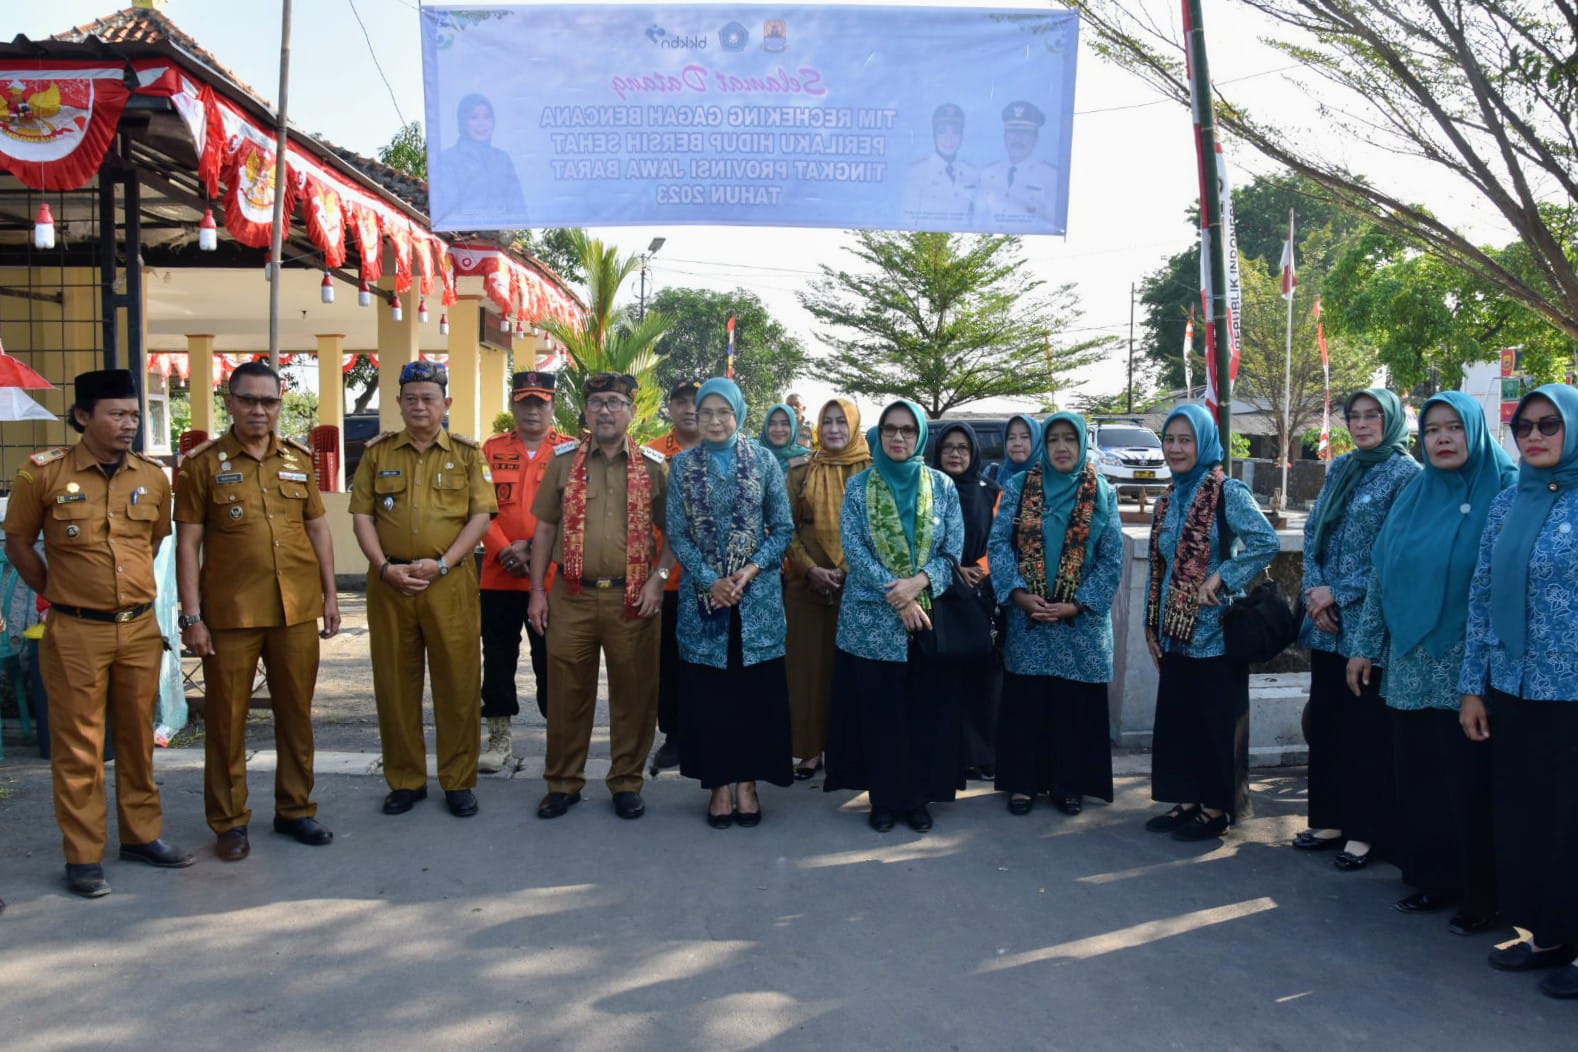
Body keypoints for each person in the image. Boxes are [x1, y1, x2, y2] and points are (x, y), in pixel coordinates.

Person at [4, 369, 192, 897]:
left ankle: (141, 836)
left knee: (138, 739)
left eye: (134, 414)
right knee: (80, 747)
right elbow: (18, 541)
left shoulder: (152, 478)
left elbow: (153, 543)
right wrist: (58, 589)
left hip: (136, 628)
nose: (129, 423)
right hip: (75, 631)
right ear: (84, 416)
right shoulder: (42, 474)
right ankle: (83, 856)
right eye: (117, 414)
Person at [1348, 392, 1512, 934]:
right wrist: (1366, 644)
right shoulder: (1415, 493)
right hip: (1411, 663)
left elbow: (1500, 591)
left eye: (1454, 428)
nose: (1442, 439)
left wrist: (1480, 675)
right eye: (1433, 430)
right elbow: (1382, 572)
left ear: (1476, 432)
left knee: (1470, 782)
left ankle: (1480, 895)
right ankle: (1431, 879)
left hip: (1472, 668)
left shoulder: (1506, 491)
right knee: (1419, 775)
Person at [174, 361, 340, 862]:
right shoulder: (202, 465)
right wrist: (192, 617)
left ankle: (296, 809)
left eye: (268, 401)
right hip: (230, 615)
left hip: (295, 610)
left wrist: (331, 596)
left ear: (279, 405)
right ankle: (228, 822)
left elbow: (317, 529)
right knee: (226, 721)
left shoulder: (297, 459)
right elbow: (189, 544)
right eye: (249, 400)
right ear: (230, 401)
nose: (259, 411)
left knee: (297, 715)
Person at [1461, 385, 1578, 998]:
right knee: (1532, 816)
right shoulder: (1509, 504)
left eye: (1549, 425)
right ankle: (1550, 933)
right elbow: (1482, 594)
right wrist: (1473, 688)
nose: (1534, 436)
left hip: (1574, 690)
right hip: (1515, 685)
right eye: (1524, 427)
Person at [350, 360, 496, 818]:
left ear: (445, 404)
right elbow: (362, 516)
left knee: (458, 684)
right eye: (410, 398)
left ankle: (457, 781)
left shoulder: (468, 454)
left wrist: (442, 564)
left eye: (429, 398)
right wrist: (380, 566)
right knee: (395, 685)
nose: (419, 406)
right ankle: (406, 779)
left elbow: (480, 517)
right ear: (398, 403)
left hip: (447, 584)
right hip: (391, 584)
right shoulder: (378, 454)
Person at [530, 373, 671, 821]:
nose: (605, 411)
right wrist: (536, 591)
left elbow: (675, 533)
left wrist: (658, 578)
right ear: (585, 412)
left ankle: (627, 782)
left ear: (632, 411)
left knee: (634, 695)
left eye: (614, 402)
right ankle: (563, 783)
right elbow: (545, 529)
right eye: (596, 403)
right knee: (567, 693)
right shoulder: (563, 461)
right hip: (570, 595)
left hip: (633, 598)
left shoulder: (652, 466)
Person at [824, 400, 965, 833]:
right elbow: (855, 550)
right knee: (880, 715)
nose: (899, 438)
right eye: (890, 430)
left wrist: (918, 583)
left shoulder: (941, 486)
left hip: (926, 623)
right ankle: (883, 800)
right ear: (880, 434)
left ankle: (918, 798)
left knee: (924, 714)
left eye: (907, 430)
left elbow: (952, 550)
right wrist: (899, 595)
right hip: (872, 622)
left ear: (921, 435)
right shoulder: (859, 486)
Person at [1296, 389, 1420, 869]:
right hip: (1325, 623)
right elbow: (1313, 534)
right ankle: (1329, 818)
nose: (1363, 424)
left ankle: (1365, 831)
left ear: (1389, 420)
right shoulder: (1341, 467)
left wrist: (1339, 592)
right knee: (1327, 722)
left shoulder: (1407, 476)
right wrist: (1314, 590)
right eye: (1355, 416)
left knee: (1364, 730)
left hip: (1368, 625)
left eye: (1373, 416)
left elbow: (1395, 554)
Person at [1143, 405, 1278, 841]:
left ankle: (1218, 807)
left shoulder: (1226, 491)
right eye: (1170, 439)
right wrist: (1151, 624)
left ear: (1204, 443)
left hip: (1216, 632)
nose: (1176, 448)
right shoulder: (1168, 498)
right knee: (1180, 720)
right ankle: (1186, 799)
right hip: (1175, 633)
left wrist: (1223, 575)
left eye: (1187, 440)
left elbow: (1264, 541)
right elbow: (1159, 568)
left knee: (1216, 723)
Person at [667, 379, 796, 826]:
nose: (715, 421)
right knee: (711, 698)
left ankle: (748, 783)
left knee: (753, 697)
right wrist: (711, 580)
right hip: (704, 603)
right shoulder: (682, 466)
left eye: (724, 412)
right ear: (696, 418)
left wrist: (749, 570)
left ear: (739, 413)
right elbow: (678, 533)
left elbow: (782, 528)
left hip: (755, 601)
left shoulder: (763, 460)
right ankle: (719, 785)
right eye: (707, 413)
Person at [988, 411, 1124, 816]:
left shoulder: (1102, 492)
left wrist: (1078, 603)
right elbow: (998, 545)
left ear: (1083, 443)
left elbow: (1112, 558)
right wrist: (1018, 594)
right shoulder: (1018, 487)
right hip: (1029, 617)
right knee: (1027, 704)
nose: (1062, 447)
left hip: (1080, 622)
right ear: (1043, 446)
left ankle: (1070, 784)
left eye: (1070, 439)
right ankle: (1023, 784)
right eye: (1053, 440)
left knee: (1073, 705)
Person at [478, 371, 576, 773]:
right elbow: (479, 508)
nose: (533, 409)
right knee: (498, 657)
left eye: (541, 402)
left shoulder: (571, 452)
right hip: (498, 572)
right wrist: (505, 548)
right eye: (525, 402)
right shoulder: (491, 449)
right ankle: (498, 739)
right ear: (514, 405)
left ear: (553, 406)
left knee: (552, 658)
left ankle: (559, 738)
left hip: (552, 576)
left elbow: (574, 514)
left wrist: (535, 548)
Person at [785, 398, 871, 780]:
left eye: (841, 422)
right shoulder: (803, 470)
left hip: (859, 589)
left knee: (850, 673)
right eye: (828, 422)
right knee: (807, 670)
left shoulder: (873, 471)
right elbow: (784, 528)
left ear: (853, 426)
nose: (834, 429)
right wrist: (809, 569)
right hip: (807, 586)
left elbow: (878, 530)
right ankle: (808, 749)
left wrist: (851, 570)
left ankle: (847, 748)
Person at [928, 421, 1002, 779]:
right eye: (948, 448)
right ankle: (950, 755)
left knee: (981, 679)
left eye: (962, 448)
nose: (955, 454)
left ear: (974, 454)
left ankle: (982, 755)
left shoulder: (990, 491)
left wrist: (980, 570)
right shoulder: (928, 489)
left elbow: (1002, 539)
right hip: (939, 593)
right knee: (943, 680)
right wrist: (953, 570)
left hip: (979, 594)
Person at [647, 379, 702, 772]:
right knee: (668, 661)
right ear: (670, 408)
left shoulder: (725, 449)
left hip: (711, 578)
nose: (689, 409)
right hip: (665, 576)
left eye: (696, 402)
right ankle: (673, 736)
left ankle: (704, 731)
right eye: (680, 402)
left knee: (705, 660)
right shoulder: (651, 452)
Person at [429, 93, 527, 228]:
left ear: (493, 121)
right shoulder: (448, 159)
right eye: (473, 117)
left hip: (500, 243)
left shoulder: (502, 159)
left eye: (487, 117)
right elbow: (446, 210)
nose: (481, 123)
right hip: (462, 242)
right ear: (463, 122)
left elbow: (519, 210)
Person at [973, 101, 1060, 231]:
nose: (1017, 139)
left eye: (1024, 132)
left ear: (1035, 139)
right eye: (1012, 132)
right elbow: (977, 223)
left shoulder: (1049, 176)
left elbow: (1053, 225)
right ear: (1004, 137)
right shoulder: (988, 173)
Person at [901, 103, 978, 226]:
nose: (949, 139)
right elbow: (907, 221)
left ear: (962, 136)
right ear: (934, 134)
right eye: (942, 132)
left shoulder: (971, 173)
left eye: (955, 132)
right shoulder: (917, 171)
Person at [988, 413, 1041, 486]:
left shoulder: (1051, 478)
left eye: (1024, 437)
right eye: (1011, 437)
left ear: (1037, 441)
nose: (1017, 443)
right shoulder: (993, 473)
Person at [759, 402, 812, 475]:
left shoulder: (807, 461)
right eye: (772, 424)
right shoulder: (751, 456)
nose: (778, 429)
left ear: (793, 427)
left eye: (785, 424)